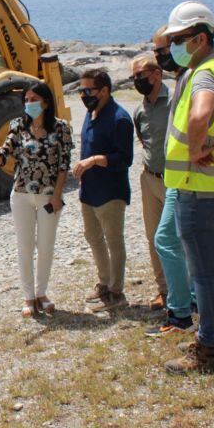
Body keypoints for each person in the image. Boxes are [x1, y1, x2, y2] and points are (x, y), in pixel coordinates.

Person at [161, 1, 214, 374]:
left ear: (199, 38)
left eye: (178, 39)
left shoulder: (206, 74)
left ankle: (208, 345)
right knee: (210, 270)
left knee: (204, 273)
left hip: (199, 191)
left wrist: (194, 149)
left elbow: (200, 114)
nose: (173, 46)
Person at [0, 82, 73, 318]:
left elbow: (63, 164)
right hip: (21, 194)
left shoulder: (61, 128)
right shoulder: (19, 125)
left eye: (34, 99)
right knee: (24, 246)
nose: (29, 103)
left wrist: (57, 194)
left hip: (48, 196)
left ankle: (42, 293)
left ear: (46, 101)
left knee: (45, 246)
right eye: (27, 99)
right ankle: (28, 296)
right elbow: (6, 149)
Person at [144, 27, 197, 337]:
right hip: (178, 176)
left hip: (186, 177)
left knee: (167, 240)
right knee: (187, 243)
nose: (159, 55)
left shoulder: (194, 79)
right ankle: (191, 302)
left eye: (164, 48)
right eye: (156, 51)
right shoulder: (184, 79)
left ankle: (180, 313)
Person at [73, 68, 134, 313]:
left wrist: (95, 160)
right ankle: (104, 282)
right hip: (89, 189)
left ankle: (116, 291)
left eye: (89, 91)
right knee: (93, 236)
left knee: (113, 240)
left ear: (105, 90)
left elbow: (124, 158)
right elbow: (87, 144)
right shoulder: (92, 112)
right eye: (80, 91)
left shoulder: (120, 118)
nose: (84, 95)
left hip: (111, 190)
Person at [130, 53, 169, 310]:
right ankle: (164, 291)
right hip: (149, 178)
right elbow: (143, 141)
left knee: (179, 237)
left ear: (157, 74)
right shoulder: (140, 110)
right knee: (154, 236)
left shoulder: (176, 102)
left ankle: (191, 291)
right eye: (133, 77)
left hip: (175, 180)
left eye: (140, 75)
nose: (136, 81)